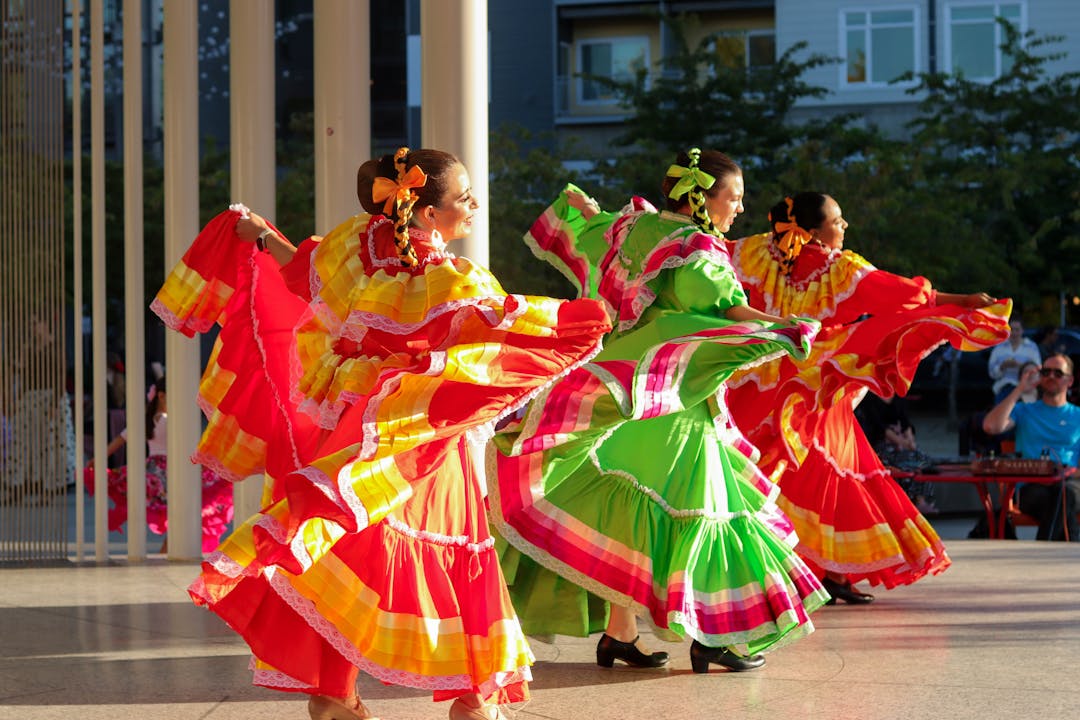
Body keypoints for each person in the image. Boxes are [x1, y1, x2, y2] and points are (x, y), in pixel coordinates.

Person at [151, 148, 611, 720]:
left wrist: (261, 235)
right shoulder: (451, 278)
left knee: (348, 545)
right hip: (418, 430)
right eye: (463, 198)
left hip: (350, 418)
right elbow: (505, 323)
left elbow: (304, 273)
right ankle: (472, 696)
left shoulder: (358, 245)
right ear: (424, 215)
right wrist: (583, 318)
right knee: (442, 543)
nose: (473, 206)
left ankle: (334, 695)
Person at [490, 148, 830, 674]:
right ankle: (711, 636)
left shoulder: (635, 227)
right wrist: (783, 325)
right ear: (702, 198)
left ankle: (619, 633)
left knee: (636, 510)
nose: (738, 210)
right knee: (706, 507)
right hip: (672, 402)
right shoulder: (697, 250)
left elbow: (585, 233)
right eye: (733, 199)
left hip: (625, 394)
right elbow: (719, 307)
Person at [724, 192, 1010, 604]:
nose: (844, 227)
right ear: (814, 231)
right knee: (827, 473)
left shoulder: (752, 251)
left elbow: (713, 264)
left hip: (757, 381)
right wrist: (961, 302)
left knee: (791, 473)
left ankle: (812, 571)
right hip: (818, 383)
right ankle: (817, 571)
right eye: (837, 221)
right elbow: (903, 295)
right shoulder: (837, 267)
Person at [84, 376, 233, 553]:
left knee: (178, 517)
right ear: (161, 396)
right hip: (172, 472)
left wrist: (97, 460)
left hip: (155, 471)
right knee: (187, 513)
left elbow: (119, 440)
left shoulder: (146, 420)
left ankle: (165, 551)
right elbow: (193, 447)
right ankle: (166, 551)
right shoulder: (167, 420)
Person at [982, 354, 1080, 541]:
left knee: (1064, 493)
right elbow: (990, 427)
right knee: (1061, 501)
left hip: (1071, 485)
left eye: (1058, 373)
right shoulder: (1024, 410)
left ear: (1070, 380)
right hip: (1032, 487)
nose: (1051, 376)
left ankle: (1045, 549)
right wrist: (1019, 389)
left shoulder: (1078, 416)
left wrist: (1068, 473)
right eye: (1046, 372)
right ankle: (1066, 547)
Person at [855, 392, 937, 514]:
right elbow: (880, 428)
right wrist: (902, 442)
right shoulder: (870, 399)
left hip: (901, 441)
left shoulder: (898, 397)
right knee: (903, 463)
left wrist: (910, 441)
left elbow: (906, 422)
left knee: (923, 461)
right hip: (880, 445)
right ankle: (909, 503)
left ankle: (921, 500)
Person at [988, 318, 1041, 403]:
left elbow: (1037, 371)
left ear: (1022, 330)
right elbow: (992, 373)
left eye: (1017, 330)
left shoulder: (1032, 347)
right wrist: (1002, 366)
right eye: (1012, 329)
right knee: (1002, 416)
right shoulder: (999, 347)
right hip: (1004, 389)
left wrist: (1022, 367)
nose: (1014, 333)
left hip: (1025, 390)